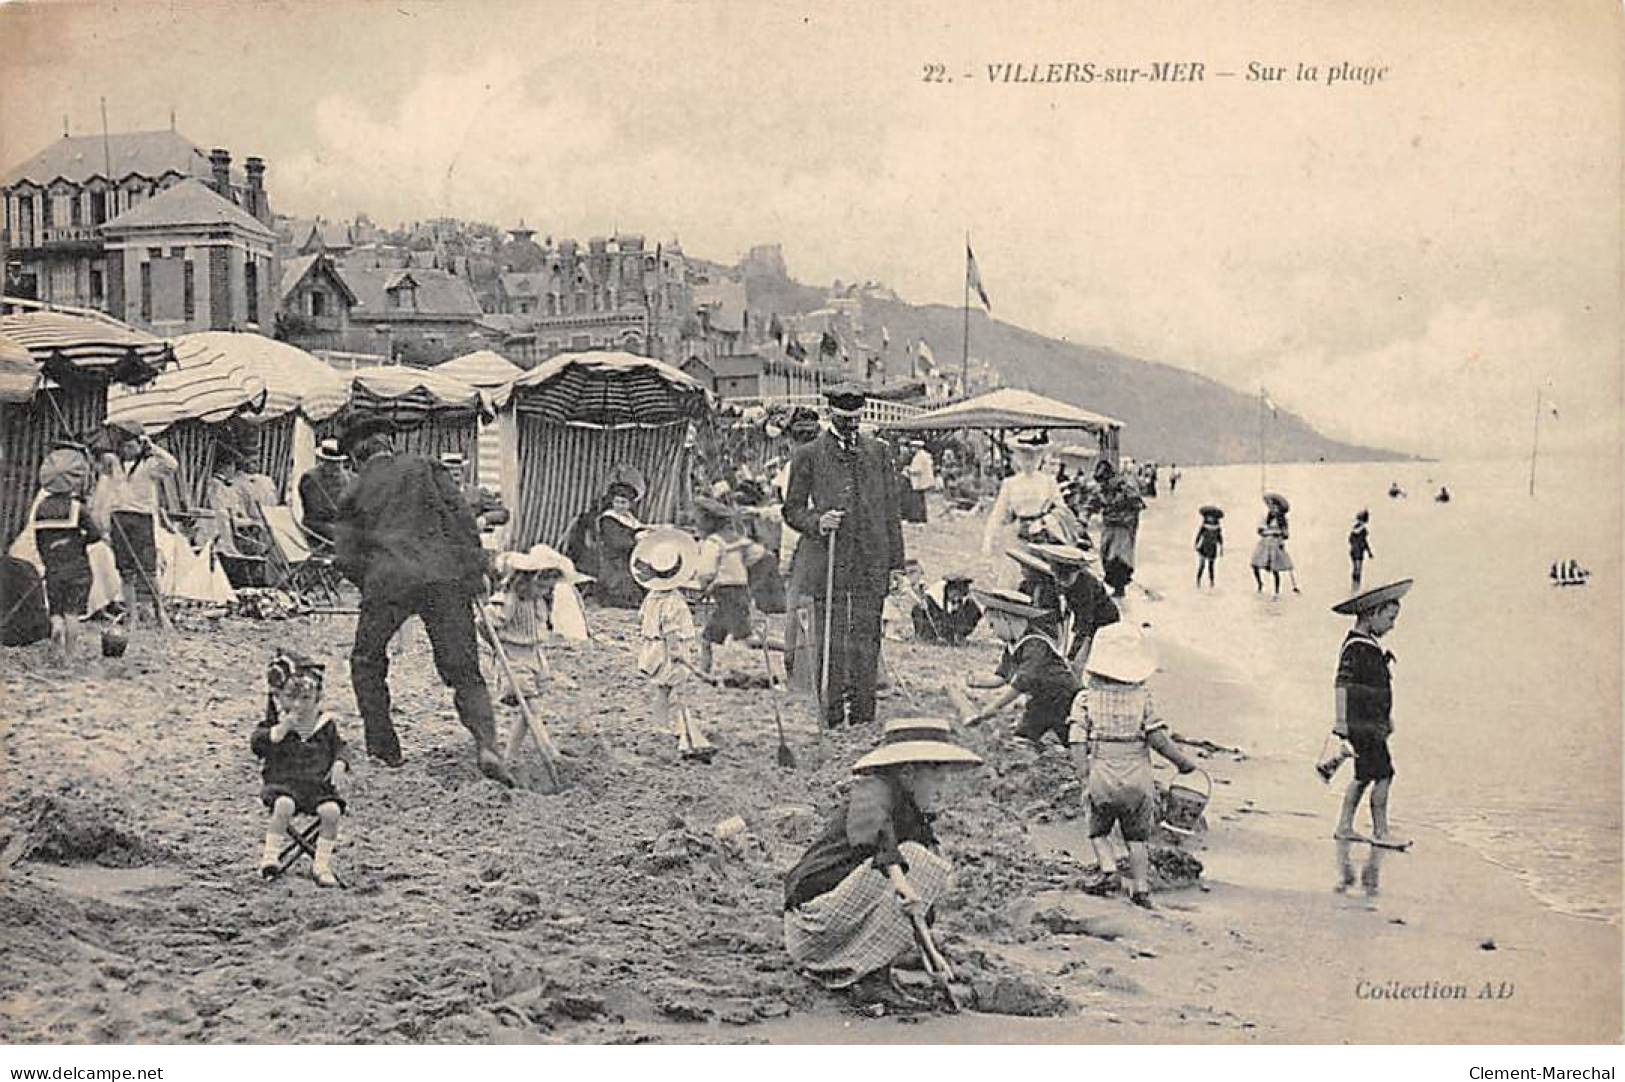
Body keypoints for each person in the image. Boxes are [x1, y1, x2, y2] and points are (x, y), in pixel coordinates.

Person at [333, 415, 514, 786]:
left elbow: (346, 558)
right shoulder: (425, 467)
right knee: (463, 668)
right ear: (389, 443)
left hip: (388, 582)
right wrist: (474, 567)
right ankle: (486, 744)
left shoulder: (352, 492)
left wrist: (371, 583)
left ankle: (385, 751)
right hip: (444, 577)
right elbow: (460, 518)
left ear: (356, 455)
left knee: (366, 661)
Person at [782, 717, 983, 1004]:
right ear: (908, 772)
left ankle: (872, 967)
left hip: (837, 927)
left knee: (929, 864)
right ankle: (870, 977)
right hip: (813, 926)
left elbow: (913, 905)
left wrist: (932, 954)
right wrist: (904, 884)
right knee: (918, 861)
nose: (942, 789)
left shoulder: (912, 813)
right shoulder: (872, 790)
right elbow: (880, 840)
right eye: (937, 778)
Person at [782, 383, 907, 728]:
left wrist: (897, 565)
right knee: (832, 640)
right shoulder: (808, 455)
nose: (850, 425)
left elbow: (891, 511)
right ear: (830, 415)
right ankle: (833, 717)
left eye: (856, 419)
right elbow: (791, 510)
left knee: (867, 639)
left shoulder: (879, 452)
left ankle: (864, 717)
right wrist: (817, 522)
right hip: (830, 561)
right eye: (843, 419)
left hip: (871, 561)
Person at [1069, 624, 1198, 908]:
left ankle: (1108, 869)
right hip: (1137, 778)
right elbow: (1158, 739)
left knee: (1099, 831)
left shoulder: (1085, 699)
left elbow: (1076, 740)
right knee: (1137, 838)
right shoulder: (1143, 698)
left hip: (1101, 774)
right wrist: (1183, 763)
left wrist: (1083, 775)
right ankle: (1141, 888)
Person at [252, 650, 350, 888]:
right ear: (279, 697)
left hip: (317, 787)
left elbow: (341, 747)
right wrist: (279, 731)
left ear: (318, 698)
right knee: (284, 806)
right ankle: (270, 856)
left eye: (306, 698)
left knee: (331, 812)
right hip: (283, 785)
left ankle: (321, 864)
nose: (298, 705)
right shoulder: (276, 725)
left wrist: (339, 764)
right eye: (291, 697)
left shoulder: (324, 725)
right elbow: (257, 744)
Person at [1330, 579, 1413, 850]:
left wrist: (1385, 719)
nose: (1392, 625)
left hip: (1369, 722)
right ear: (1373, 614)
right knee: (1384, 774)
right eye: (1389, 618)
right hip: (1361, 723)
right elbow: (1341, 684)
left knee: (1364, 774)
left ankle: (1344, 826)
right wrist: (1341, 721)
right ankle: (1380, 831)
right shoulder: (1355, 646)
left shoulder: (1367, 644)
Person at [632, 527, 716, 762]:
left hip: (654, 649)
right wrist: (677, 653)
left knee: (663, 690)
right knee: (678, 691)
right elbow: (670, 630)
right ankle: (683, 732)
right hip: (670, 650)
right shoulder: (673, 603)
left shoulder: (652, 598)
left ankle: (663, 726)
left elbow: (643, 621)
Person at [959, 586, 1081, 748]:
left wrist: (995, 705)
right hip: (1040, 700)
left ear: (1006, 619)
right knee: (1024, 734)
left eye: (992, 625)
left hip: (1064, 697)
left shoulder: (1036, 643)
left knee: (1071, 736)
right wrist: (978, 682)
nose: (992, 632)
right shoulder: (1013, 645)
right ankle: (1035, 751)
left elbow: (1023, 681)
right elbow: (1002, 676)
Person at [93, 420, 177, 629]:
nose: (127, 450)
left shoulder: (150, 466)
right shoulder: (113, 464)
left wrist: (152, 446)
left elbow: (172, 465)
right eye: (124, 446)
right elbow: (102, 475)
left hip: (142, 519)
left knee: (148, 569)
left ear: (140, 446)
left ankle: (161, 613)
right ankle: (131, 616)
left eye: (132, 446)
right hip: (119, 518)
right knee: (126, 571)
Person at [28, 446, 100, 663]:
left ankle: (56, 639)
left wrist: (48, 560)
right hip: (77, 566)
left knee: (56, 612)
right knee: (73, 613)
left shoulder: (40, 508)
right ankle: (70, 654)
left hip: (54, 568)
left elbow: (39, 541)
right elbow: (95, 535)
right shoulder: (78, 508)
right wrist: (78, 542)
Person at [981, 431, 1078, 585]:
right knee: (1015, 578)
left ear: (1041, 457)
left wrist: (1045, 522)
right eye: (1024, 456)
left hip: (1043, 540)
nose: (1029, 461)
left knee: (1043, 580)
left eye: (1034, 456)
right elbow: (997, 514)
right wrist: (988, 540)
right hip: (1019, 538)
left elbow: (1063, 511)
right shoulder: (1010, 483)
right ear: (1017, 458)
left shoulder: (1048, 482)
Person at [692, 496, 767, 676]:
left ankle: (786, 649)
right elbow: (757, 553)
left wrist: (703, 585)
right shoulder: (737, 539)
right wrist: (740, 567)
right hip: (740, 590)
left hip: (725, 593)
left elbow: (706, 571)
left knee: (745, 638)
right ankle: (705, 671)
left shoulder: (713, 543)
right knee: (710, 635)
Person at [1024, 542, 1120, 670]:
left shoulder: (1085, 585)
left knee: (1091, 646)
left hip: (1104, 617)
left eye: (1065, 578)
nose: (1060, 580)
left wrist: (1071, 655)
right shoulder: (1057, 579)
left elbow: (1084, 622)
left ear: (1075, 571)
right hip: (1083, 612)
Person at [1086, 458, 1145, 599]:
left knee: (1119, 558)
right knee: (1106, 555)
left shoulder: (1125, 487)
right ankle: (1115, 586)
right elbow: (1090, 506)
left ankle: (1120, 588)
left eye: (1105, 481)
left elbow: (1138, 505)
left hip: (1123, 528)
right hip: (1109, 526)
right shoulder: (1101, 490)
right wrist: (1083, 520)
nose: (1104, 484)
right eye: (1101, 482)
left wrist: (1127, 518)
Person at [594, 476, 648, 609]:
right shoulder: (609, 519)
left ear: (630, 504)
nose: (619, 506)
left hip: (629, 556)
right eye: (617, 502)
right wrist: (635, 539)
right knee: (624, 588)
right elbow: (617, 542)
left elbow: (638, 529)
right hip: (616, 560)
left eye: (623, 503)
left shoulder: (630, 518)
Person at [297, 438, 351, 549]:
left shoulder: (350, 478)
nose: (336, 467)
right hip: (317, 533)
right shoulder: (311, 479)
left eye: (338, 462)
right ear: (323, 461)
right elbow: (315, 514)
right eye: (331, 462)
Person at [1249, 492, 1298, 597]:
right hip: (1265, 543)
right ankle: (1260, 584)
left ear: (1279, 509)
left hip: (1276, 544)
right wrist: (1269, 532)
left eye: (1275, 507)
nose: (1273, 509)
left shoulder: (1283, 520)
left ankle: (1276, 591)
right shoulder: (1266, 518)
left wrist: (1278, 534)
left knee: (1275, 568)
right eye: (1271, 506)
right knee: (1255, 564)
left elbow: (1286, 535)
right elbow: (1260, 531)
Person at [901, 441, 936, 524]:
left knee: (916, 501)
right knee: (921, 500)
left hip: (919, 481)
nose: (911, 449)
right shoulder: (925, 455)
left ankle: (916, 518)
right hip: (922, 481)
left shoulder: (919, 457)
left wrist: (908, 470)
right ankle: (922, 518)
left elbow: (917, 470)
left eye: (913, 447)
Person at [1195, 505, 1224, 589]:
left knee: (1211, 567)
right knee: (1202, 566)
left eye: (1212, 517)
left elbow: (1220, 538)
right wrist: (1196, 544)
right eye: (1209, 517)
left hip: (1212, 548)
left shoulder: (1217, 528)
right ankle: (1198, 580)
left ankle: (1211, 582)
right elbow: (1199, 536)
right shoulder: (1204, 526)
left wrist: (1221, 548)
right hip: (1203, 547)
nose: (1210, 518)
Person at [1348, 509, 1374, 591]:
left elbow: (1350, 540)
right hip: (1358, 552)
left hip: (1354, 551)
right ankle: (1356, 587)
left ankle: (1355, 586)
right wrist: (1369, 552)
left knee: (1356, 568)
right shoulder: (1362, 530)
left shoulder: (1354, 529)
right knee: (1358, 569)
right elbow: (1365, 542)